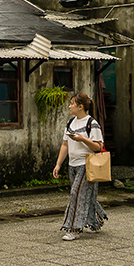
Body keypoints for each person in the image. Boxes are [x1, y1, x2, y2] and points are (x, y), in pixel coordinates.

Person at [52, 92, 108, 241]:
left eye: (72, 104)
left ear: (80, 107)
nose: (69, 106)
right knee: (84, 195)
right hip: (72, 165)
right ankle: (96, 220)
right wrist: (58, 164)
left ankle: (73, 229)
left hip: (86, 164)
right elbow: (65, 145)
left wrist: (83, 139)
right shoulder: (70, 123)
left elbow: (98, 146)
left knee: (76, 194)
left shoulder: (92, 123)